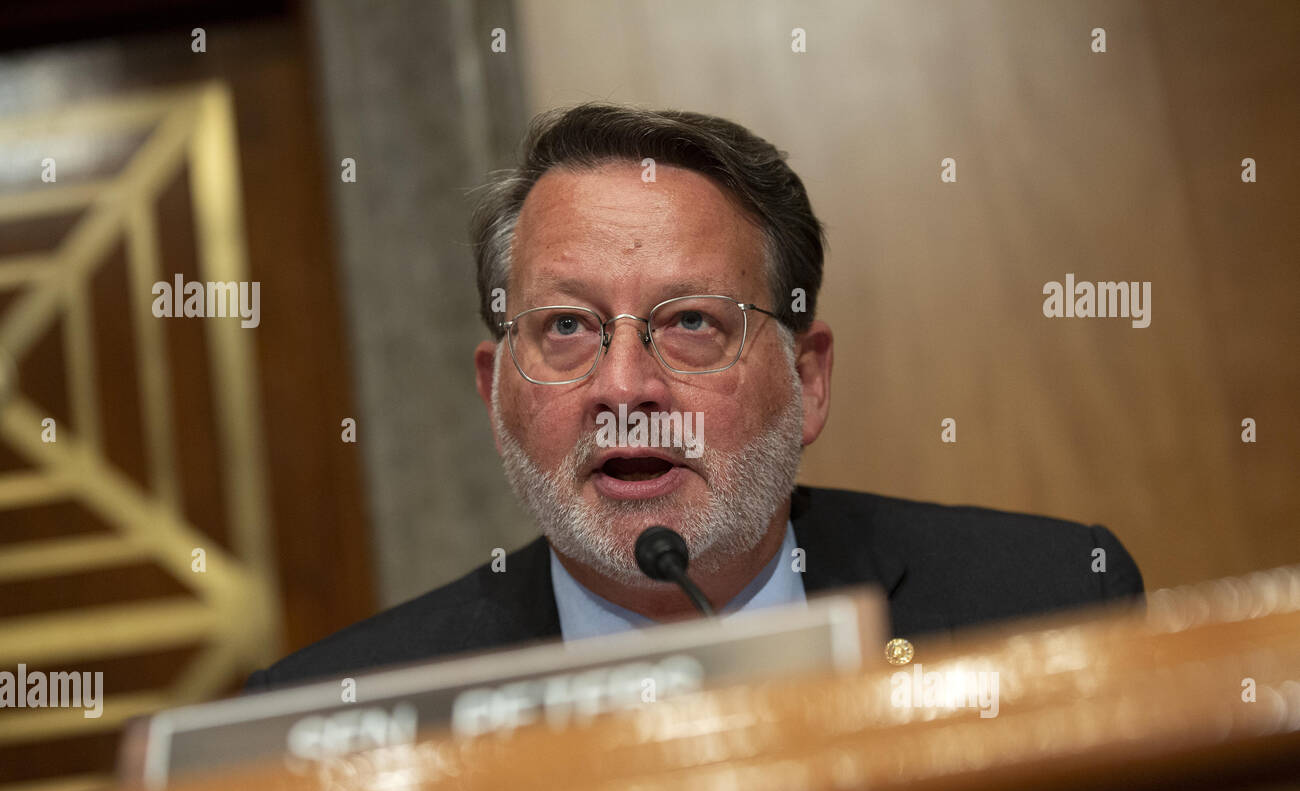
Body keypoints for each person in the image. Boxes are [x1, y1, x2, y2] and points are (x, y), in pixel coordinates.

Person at [245, 103, 1142, 691]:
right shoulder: (329, 713)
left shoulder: (1048, 605)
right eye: (564, 328)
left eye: (690, 325)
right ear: (495, 395)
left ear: (808, 379)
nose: (625, 389)